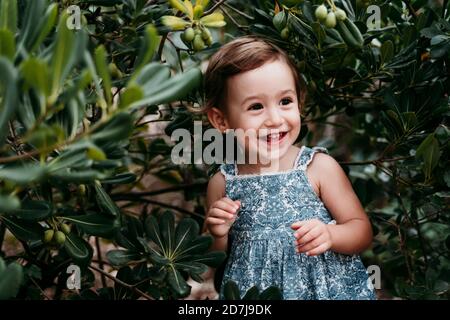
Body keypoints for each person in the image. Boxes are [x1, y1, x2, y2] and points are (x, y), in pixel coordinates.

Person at [202, 36, 376, 300]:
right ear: (221, 119)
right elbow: (212, 259)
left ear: (299, 101)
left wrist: (330, 234)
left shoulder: (318, 168)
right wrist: (217, 233)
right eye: (256, 107)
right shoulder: (223, 183)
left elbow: (361, 231)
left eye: (285, 101)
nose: (275, 119)